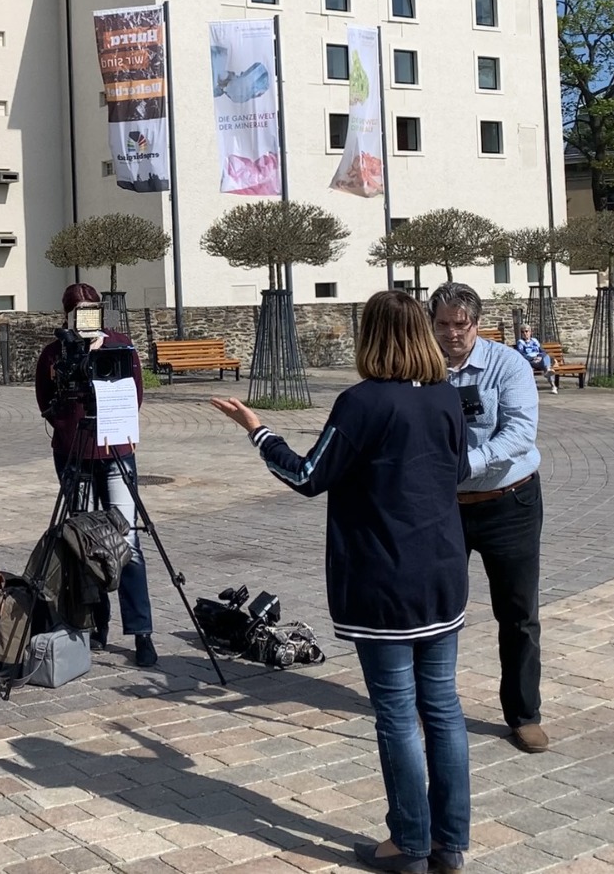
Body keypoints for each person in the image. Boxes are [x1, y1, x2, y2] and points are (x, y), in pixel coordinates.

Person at [213, 290, 470, 874]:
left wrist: (257, 429)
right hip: (442, 573)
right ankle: (449, 843)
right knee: (443, 709)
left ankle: (409, 843)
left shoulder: (363, 402)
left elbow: (308, 475)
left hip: (384, 580)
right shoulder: (445, 396)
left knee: (398, 714)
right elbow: (454, 470)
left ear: (370, 336)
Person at [429, 282, 549, 754]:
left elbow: (519, 431)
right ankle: (433, 706)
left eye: (461, 324)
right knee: (436, 611)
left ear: (477, 323)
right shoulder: (420, 368)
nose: (452, 334)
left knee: (518, 614)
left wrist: (466, 465)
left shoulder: (508, 364)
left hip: (509, 502)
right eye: (443, 324)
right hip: (444, 508)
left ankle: (524, 714)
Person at [34, 282, 157, 667]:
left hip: (116, 450)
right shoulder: (54, 353)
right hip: (74, 452)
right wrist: (68, 422)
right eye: (79, 311)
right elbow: (45, 399)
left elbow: (135, 393)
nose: (86, 318)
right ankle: (95, 623)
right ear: (67, 315)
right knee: (85, 544)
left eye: (92, 310)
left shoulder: (120, 345)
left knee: (127, 540)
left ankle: (141, 632)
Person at [514, 325, 557, 394]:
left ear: (530, 332)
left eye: (526, 331)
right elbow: (521, 354)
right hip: (530, 362)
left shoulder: (534, 341)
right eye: (522, 332)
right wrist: (532, 358)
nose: (525, 333)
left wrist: (539, 356)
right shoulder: (520, 342)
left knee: (546, 358)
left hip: (539, 360)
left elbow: (543, 351)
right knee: (545, 364)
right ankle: (548, 373)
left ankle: (553, 385)